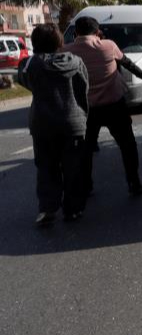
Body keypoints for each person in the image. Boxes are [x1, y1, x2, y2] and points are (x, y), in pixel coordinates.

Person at [64, 16, 142, 196]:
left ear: (75, 33)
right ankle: (134, 183)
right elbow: (127, 63)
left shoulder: (67, 51)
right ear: (97, 32)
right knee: (127, 145)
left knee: (85, 150)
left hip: (86, 110)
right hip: (114, 105)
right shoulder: (108, 46)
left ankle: (86, 186)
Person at [16, 24, 90, 224]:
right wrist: (82, 115)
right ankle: (74, 209)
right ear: (59, 41)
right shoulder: (76, 62)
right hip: (73, 122)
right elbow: (84, 88)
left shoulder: (31, 65)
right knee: (74, 168)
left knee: (46, 167)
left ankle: (48, 208)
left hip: (43, 124)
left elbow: (22, 77)